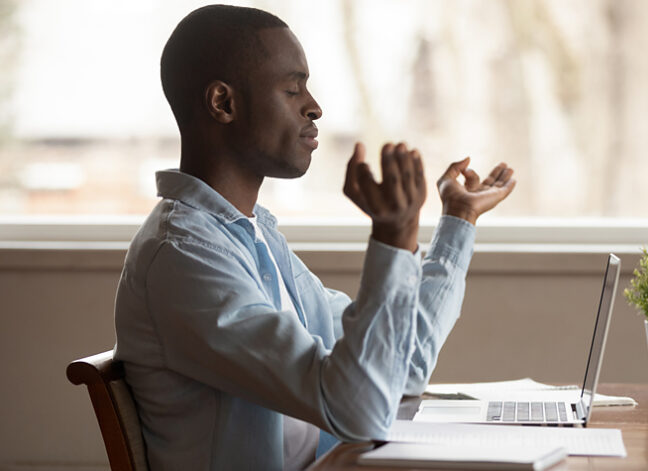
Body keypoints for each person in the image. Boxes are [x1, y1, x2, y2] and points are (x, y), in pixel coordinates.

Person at [114, 4, 516, 470]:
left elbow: (400, 365)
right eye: (292, 88)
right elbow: (360, 412)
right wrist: (392, 236)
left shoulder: (252, 237)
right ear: (223, 103)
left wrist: (458, 222)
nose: (315, 106)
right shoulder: (184, 257)